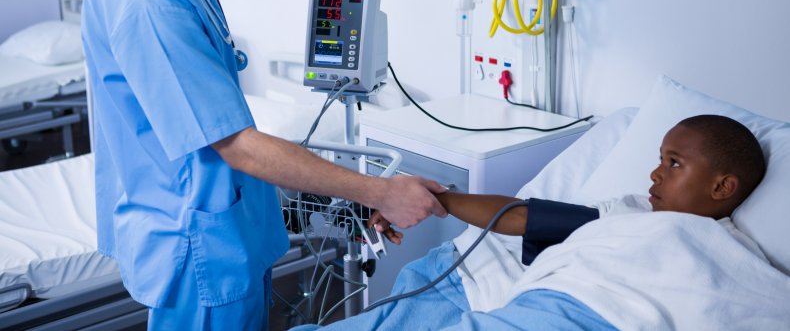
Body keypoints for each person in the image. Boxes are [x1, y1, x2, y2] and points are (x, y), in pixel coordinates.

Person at [80, 0, 446, 329]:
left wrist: (349, 202)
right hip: (198, 255)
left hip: (223, 233)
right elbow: (236, 143)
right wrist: (378, 190)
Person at [294, 114, 767, 330]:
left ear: (723, 188)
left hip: (590, 314)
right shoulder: (627, 211)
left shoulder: (732, 258)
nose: (655, 172)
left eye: (675, 163)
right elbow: (524, 217)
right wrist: (438, 199)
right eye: (660, 158)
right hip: (554, 294)